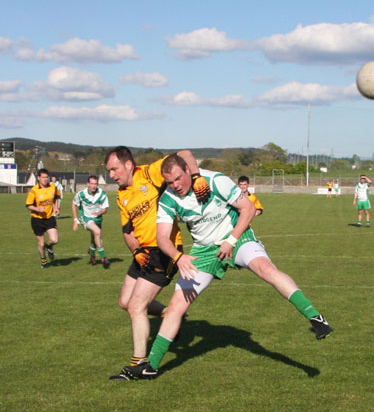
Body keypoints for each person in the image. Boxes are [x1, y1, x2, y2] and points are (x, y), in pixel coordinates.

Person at [121, 154, 332, 380]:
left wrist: (231, 240)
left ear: (187, 170)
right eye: (170, 182)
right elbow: (162, 237)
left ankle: (315, 318)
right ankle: (150, 366)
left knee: (265, 269)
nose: (176, 186)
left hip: (236, 236)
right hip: (204, 250)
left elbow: (248, 209)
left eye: (179, 179)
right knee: (175, 307)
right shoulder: (168, 198)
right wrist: (178, 256)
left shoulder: (213, 181)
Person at [105, 146, 208, 380]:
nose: (111, 174)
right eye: (108, 170)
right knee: (124, 302)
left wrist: (196, 176)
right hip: (143, 253)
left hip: (165, 250)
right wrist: (135, 250)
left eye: (114, 168)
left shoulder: (149, 174)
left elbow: (184, 153)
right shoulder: (121, 194)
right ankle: (169, 314)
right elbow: (127, 230)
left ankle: (139, 364)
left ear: (128, 165)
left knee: (136, 306)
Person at [72, 175, 110, 268]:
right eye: (92, 183)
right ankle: (103, 257)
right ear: (88, 184)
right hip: (86, 218)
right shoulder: (81, 194)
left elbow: (105, 208)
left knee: (96, 239)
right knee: (97, 232)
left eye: (95, 184)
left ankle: (92, 253)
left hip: (98, 219)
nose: (93, 186)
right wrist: (75, 220)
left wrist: (99, 212)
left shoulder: (102, 194)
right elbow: (73, 204)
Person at [25, 168, 61, 268]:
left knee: (54, 240)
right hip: (37, 220)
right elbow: (28, 205)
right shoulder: (34, 190)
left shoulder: (53, 187)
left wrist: (57, 208)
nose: (45, 179)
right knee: (40, 243)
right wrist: (37, 209)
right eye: (43, 177)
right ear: (39, 178)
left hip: (49, 218)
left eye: (46, 177)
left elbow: (56, 198)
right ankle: (44, 261)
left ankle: (49, 246)